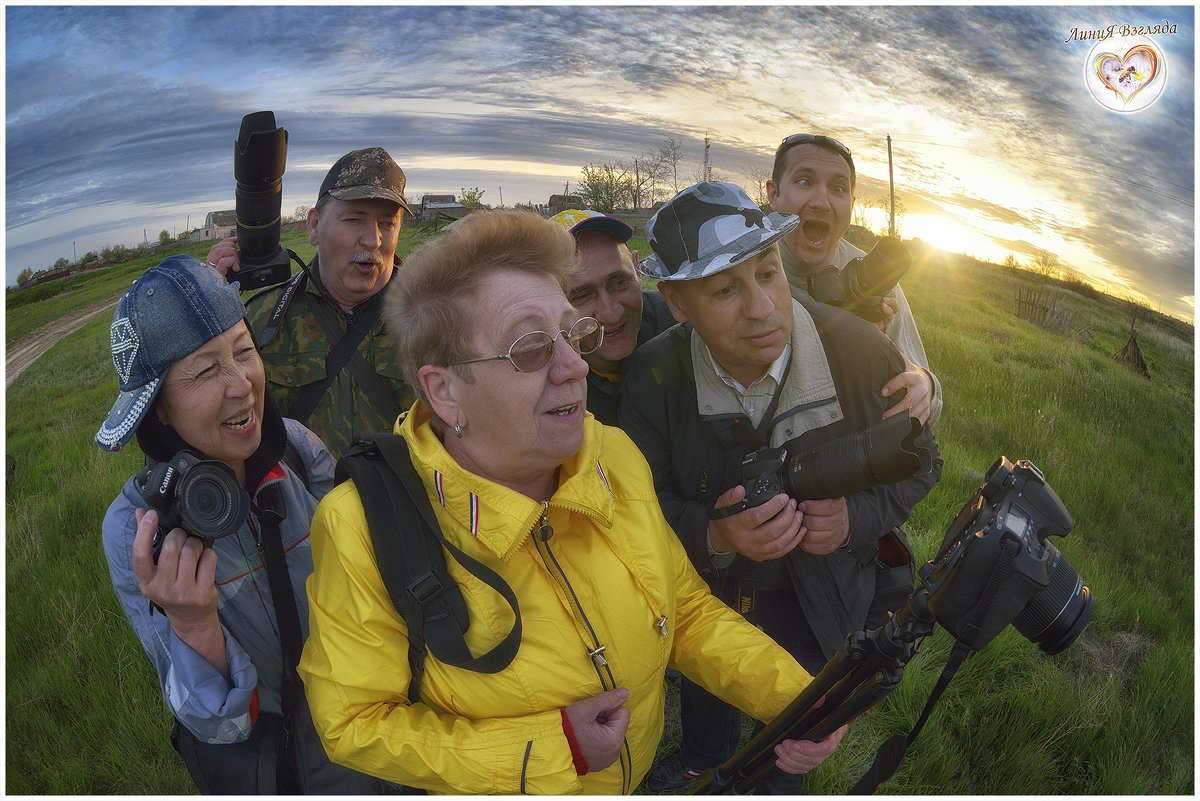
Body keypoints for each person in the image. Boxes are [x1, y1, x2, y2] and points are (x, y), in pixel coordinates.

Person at [296, 209, 847, 794]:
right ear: (444, 390)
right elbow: (353, 723)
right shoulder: (361, 526)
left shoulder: (608, 451)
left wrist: (791, 695)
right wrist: (551, 750)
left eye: (573, 334)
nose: (577, 366)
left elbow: (682, 608)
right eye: (532, 347)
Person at [618, 182, 942, 792]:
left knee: (792, 733)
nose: (763, 307)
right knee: (711, 701)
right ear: (677, 302)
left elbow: (924, 463)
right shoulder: (654, 377)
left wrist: (856, 516)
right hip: (710, 600)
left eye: (768, 273)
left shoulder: (858, 350)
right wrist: (713, 534)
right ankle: (703, 758)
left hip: (821, 598)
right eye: (724, 289)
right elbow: (637, 504)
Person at [96, 255, 392, 793]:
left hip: (383, 730)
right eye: (205, 369)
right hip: (288, 770)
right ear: (159, 408)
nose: (242, 385)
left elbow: (375, 597)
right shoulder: (137, 535)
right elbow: (219, 725)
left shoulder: (298, 449)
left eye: (244, 351)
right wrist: (194, 627)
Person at [207, 147, 416, 457]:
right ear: (314, 226)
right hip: (301, 502)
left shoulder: (431, 315)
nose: (373, 240)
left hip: (405, 501)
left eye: (387, 223)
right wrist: (211, 310)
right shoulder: (264, 319)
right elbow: (212, 415)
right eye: (355, 219)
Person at [766, 133, 942, 427]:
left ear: (852, 203)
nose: (822, 202)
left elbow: (928, 399)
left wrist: (924, 384)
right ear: (773, 194)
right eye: (804, 182)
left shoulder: (875, 280)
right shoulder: (745, 268)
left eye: (838, 188)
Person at [547, 209, 675, 425]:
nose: (611, 313)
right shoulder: (547, 380)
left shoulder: (682, 322)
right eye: (582, 295)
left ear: (637, 270)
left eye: (619, 282)